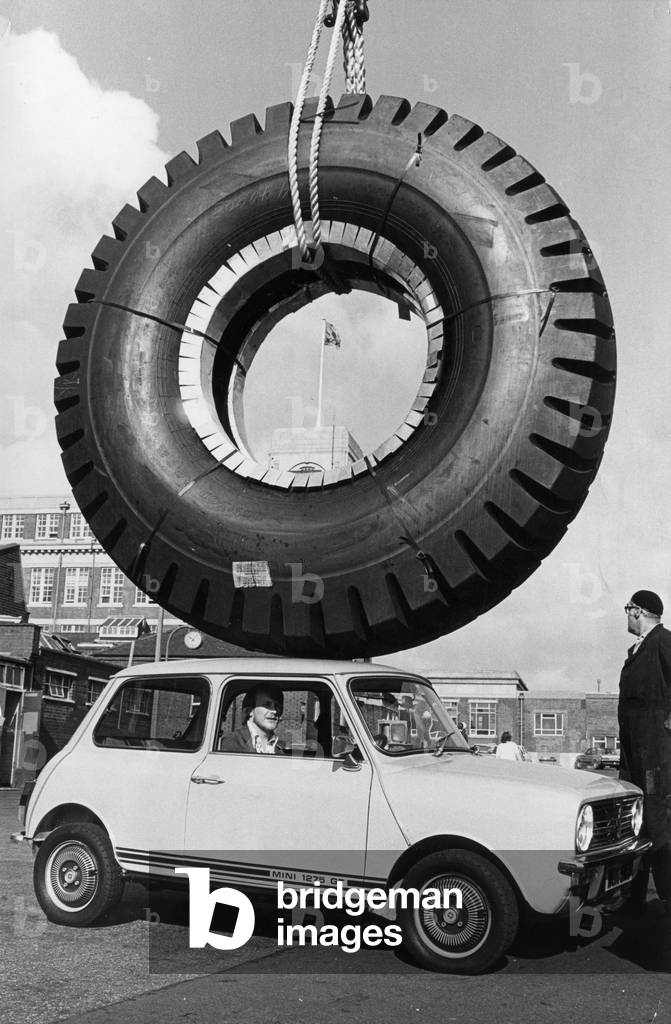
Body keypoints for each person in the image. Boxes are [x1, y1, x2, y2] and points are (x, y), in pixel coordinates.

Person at [617, 590, 671, 913]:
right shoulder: (636, 650)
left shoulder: (663, 641)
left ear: (638, 611)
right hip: (633, 755)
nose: (626, 615)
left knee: (657, 822)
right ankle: (633, 896)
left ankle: (667, 899)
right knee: (635, 823)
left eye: (628, 609)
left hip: (655, 754)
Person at [219, 684, 285, 754]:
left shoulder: (282, 746)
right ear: (250, 711)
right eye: (267, 705)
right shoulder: (232, 742)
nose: (274, 711)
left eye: (277, 706)